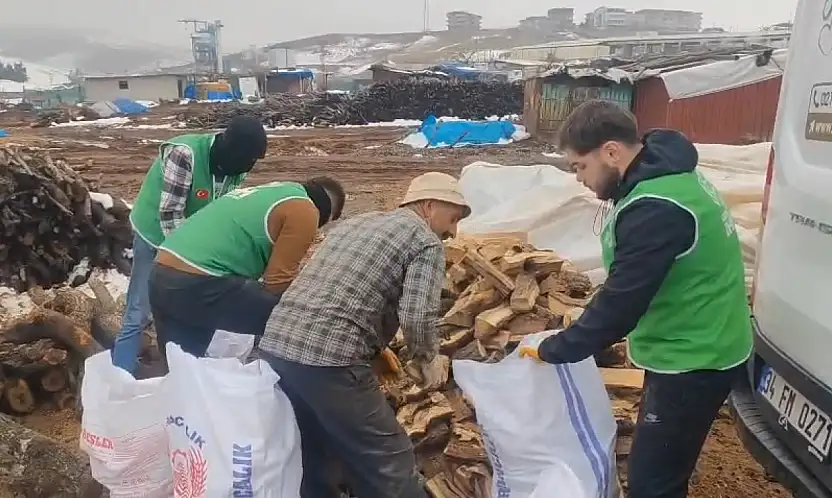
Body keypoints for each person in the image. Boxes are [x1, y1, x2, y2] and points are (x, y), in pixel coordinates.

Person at [518, 100, 752, 498]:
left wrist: (555, 348)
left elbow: (622, 305)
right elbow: (639, 274)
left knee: (652, 485)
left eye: (580, 166)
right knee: (664, 465)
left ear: (611, 151)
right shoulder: (667, 174)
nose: (579, 179)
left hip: (692, 358)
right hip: (703, 337)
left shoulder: (655, 208)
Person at [258, 172, 470, 498]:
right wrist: (427, 360)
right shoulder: (425, 241)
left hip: (277, 346)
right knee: (388, 458)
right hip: (330, 360)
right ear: (429, 205)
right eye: (453, 219)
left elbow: (339, 290)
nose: (453, 232)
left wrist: (375, 347)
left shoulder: (357, 224)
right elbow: (417, 316)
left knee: (313, 448)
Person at [111, 115, 268, 374]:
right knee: (139, 310)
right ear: (230, 150)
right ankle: (121, 375)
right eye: (247, 160)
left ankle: (181, 373)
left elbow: (222, 212)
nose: (247, 168)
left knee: (187, 311)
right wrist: (194, 262)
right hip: (154, 234)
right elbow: (170, 215)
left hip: (190, 241)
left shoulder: (236, 168)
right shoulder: (185, 155)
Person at [148, 177, 345, 359]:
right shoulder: (305, 209)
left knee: (183, 367)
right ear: (327, 209)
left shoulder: (272, 192)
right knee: (297, 317)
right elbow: (277, 282)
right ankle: (291, 379)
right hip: (199, 282)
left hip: (162, 273)